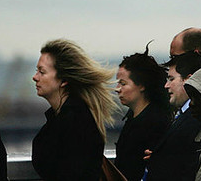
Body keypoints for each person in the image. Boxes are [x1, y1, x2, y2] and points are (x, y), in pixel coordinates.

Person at [31, 39, 118, 180]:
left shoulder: (77, 122)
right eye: (37, 71)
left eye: (42, 72)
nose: (35, 77)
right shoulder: (61, 117)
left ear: (64, 80)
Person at [144, 51, 201, 181]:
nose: (166, 85)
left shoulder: (197, 119)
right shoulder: (185, 115)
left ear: (189, 80)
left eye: (172, 79)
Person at [114, 45, 171, 181]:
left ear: (142, 85)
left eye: (123, 83)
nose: (117, 89)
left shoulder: (156, 123)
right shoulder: (134, 118)